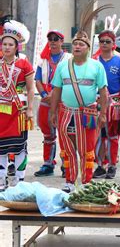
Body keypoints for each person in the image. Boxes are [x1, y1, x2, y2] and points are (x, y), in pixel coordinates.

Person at [50, 2, 110, 193]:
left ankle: (86, 182)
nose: (77, 46)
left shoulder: (96, 66)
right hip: (66, 112)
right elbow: (56, 91)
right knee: (67, 148)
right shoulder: (62, 65)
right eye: (75, 43)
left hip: (88, 112)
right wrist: (53, 112)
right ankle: (69, 181)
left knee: (87, 149)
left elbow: (103, 92)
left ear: (87, 48)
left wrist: (103, 114)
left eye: (81, 44)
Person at [0, 20, 34, 190]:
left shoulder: (23, 64)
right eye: (4, 44)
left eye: (10, 44)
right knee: (1, 148)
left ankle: (19, 180)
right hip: (1, 112)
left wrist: (30, 110)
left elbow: (30, 88)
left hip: (19, 112)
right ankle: (1, 178)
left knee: (20, 147)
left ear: (16, 47)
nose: (7, 47)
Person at [34, 30, 71, 177]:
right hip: (46, 101)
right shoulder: (43, 59)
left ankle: (66, 165)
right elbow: (37, 80)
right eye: (50, 39)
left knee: (64, 134)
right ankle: (48, 164)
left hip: (62, 100)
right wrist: (44, 94)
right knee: (48, 134)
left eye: (56, 39)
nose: (53, 42)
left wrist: (56, 94)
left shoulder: (69, 58)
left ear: (62, 41)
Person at [92, 29, 120, 179]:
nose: (105, 44)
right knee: (99, 136)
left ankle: (112, 165)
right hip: (98, 103)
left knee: (113, 137)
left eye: (108, 41)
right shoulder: (93, 62)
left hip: (114, 103)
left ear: (113, 44)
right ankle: (100, 165)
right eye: (102, 42)